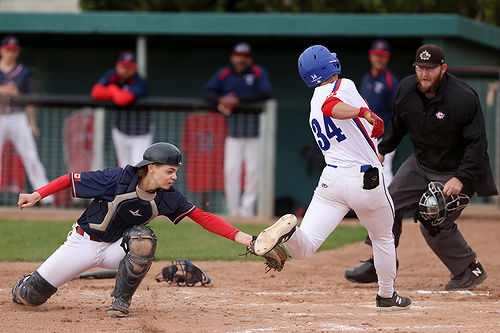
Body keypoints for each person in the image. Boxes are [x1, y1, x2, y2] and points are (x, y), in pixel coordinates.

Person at [11, 142, 281, 317]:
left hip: (117, 249)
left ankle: (120, 301)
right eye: (169, 171)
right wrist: (38, 194)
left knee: (143, 240)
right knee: (29, 298)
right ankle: (25, 283)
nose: (174, 177)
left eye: (176, 171)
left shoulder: (169, 196)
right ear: (151, 168)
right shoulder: (117, 178)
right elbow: (70, 179)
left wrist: (248, 240)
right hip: (82, 243)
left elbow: (203, 217)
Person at [253, 45, 411, 310]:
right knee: (383, 238)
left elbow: (333, 114)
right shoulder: (341, 86)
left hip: (333, 181)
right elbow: (332, 106)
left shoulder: (313, 98)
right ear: (331, 65)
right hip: (365, 180)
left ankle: (289, 232)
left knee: (304, 248)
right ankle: (386, 295)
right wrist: (365, 113)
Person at [344, 44, 498, 290]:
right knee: (387, 205)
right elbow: (398, 124)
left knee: (432, 217)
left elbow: (477, 143)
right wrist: (382, 150)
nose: (424, 73)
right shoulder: (406, 88)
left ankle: (468, 269)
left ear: (443, 69)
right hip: (422, 162)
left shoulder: (463, 97)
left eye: (430, 68)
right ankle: (381, 263)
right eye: (420, 68)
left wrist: (461, 178)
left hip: (456, 169)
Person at [202, 42, 273, 217]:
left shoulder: (257, 72)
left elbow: (266, 93)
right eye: (238, 55)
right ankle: (233, 210)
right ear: (233, 57)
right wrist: (222, 100)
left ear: (250, 58)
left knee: (253, 172)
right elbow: (207, 92)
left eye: (245, 56)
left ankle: (247, 210)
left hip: (256, 132)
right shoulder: (225, 73)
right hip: (233, 132)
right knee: (231, 170)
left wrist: (238, 100)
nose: (241, 59)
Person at [0, 35, 53, 204]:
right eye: (8, 50)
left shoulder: (23, 72)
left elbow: (30, 99)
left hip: (17, 116)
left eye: (14, 50)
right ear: (2, 50)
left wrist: (32, 123)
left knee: (30, 155)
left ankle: (46, 197)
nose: (11, 53)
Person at [91, 51, 151, 167]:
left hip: (140, 133)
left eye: (129, 67)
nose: (126, 70)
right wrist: (116, 91)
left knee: (139, 166)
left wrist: (112, 88)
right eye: (123, 66)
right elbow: (96, 92)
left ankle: (138, 186)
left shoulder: (140, 81)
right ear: (117, 66)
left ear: (135, 67)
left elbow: (122, 99)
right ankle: (127, 186)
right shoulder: (112, 75)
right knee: (125, 167)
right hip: (121, 130)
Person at [360, 39, 399, 184]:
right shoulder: (366, 78)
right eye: (376, 55)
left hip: (383, 136)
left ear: (387, 58)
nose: (379, 59)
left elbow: (396, 113)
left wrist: (390, 138)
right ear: (370, 56)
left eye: (382, 55)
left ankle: (392, 204)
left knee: (384, 170)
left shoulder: (390, 81)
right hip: (367, 135)